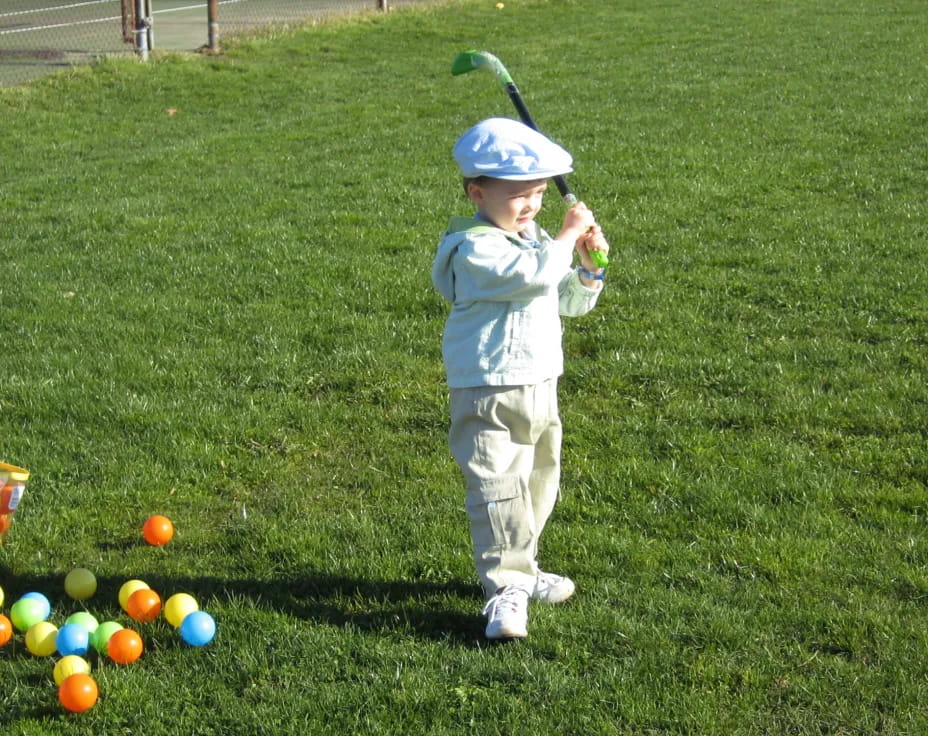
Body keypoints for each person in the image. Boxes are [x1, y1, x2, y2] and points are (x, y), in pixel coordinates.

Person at [431, 117, 609, 639]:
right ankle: (505, 589)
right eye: (517, 196)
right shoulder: (473, 246)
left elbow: (566, 302)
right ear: (477, 191)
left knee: (538, 481)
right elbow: (529, 277)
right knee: (496, 486)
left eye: (536, 194)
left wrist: (586, 269)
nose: (530, 205)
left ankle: (523, 569)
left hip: (539, 381)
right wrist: (567, 235)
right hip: (486, 385)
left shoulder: (534, 242)